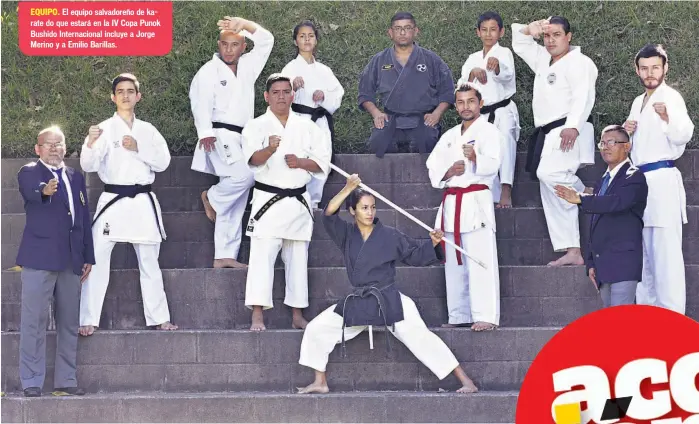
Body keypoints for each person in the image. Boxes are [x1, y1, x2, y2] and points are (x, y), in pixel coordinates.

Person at [296, 174, 479, 394]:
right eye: (364, 208)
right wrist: (348, 188)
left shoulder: (389, 236)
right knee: (317, 329)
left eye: (373, 207)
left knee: (421, 337)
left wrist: (432, 243)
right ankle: (320, 382)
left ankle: (466, 381)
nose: (370, 212)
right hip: (360, 300)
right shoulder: (345, 234)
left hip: (388, 299)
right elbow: (328, 215)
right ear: (353, 211)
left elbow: (415, 255)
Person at [79, 73, 177, 336]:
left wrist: (138, 147)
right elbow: (88, 166)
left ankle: (159, 317)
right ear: (113, 97)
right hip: (113, 200)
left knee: (149, 262)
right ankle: (88, 318)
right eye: (120, 91)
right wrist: (89, 143)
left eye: (130, 91)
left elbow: (163, 162)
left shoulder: (148, 130)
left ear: (138, 96)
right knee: (97, 259)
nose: (125, 95)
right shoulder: (102, 129)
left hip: (142, 201)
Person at [241, 74, 331, 331]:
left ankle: (297, 315)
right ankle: (257, 315)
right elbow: (252, 161)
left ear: (293, 95)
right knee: (261, 258)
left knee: (298, 260)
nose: (281, 96)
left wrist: (301, 162)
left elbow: (322, 162)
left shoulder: (308, 127)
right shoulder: (256, 126)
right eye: (276, 92)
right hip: (269, 201)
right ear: (267, 97)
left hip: (297, 201)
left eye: (286, 91)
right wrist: (269, 150)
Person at [512, 16, 598, 267]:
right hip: (549, 133)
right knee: (553, 192)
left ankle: (587, 192)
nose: (550, 40)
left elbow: (585, 96)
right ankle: (573, 250)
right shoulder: (543, 59)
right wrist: (530, 29)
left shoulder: (580, 62)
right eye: (547, 36)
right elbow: (520, 43)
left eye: (556, 35)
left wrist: (572, 126)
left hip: (569, 130)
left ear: (569, 36)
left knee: (549, 173)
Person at [190, 16, 275, 268]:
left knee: (238, 198)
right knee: (245, 176)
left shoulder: (248, 67)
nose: (228, 49)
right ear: (219, 45)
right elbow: (199, 100)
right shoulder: (208, 71)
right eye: (224, 44)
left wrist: (245, 25)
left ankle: (224, 256)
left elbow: (267, 41)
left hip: (242, 136)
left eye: (234, 45)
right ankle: (212, 197)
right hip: (217, 134)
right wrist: (204, 131)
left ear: (243, 47)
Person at [16, 126, 94, 397]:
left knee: (69, 322)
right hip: (39, 259)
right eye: (47, 144)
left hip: (71, 260)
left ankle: (66, 379)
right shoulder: (29, 172)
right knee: (33, 321)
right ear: (38, 149)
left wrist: (88, 256)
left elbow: (83, 218)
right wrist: (45, 190)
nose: (53, 148)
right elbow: (33, 190)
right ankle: (32, 381)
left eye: (58, 143)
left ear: (64, 146)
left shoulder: (75, 176)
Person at [623, 44, 695, 314]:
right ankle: (648, 317)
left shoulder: (671, 97)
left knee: (666, 256)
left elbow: (684, 134)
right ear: (637, 70)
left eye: (655, 67)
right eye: (644, 68)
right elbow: (629, 146)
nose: (650, 73)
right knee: (644, 257)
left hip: (662, 180)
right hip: (640, 182)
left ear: (665, 68)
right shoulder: (637, 101)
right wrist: (626, 131)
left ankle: (673, 318)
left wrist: (667, 118)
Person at [426, 82, 502, 332]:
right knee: (453, 263)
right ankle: (458, 314)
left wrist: (475, 159)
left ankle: (486, 315)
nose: (465, 106)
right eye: (460, 102)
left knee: (481, 261)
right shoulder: (449, 136)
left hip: (475, 201)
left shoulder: (490, 132)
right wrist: (449, 171)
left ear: (480, 103)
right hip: (451, 203)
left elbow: (494, 164)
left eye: (470, 101)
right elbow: (433, 167)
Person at [554, 125, 648, 308]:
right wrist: (591, 261)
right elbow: (595, 223)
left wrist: (582, 199)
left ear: (626, 146)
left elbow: (617, 202)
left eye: (611, 142)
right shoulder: (603, 181)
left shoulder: (634, 177)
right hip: (602, 265)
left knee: (620, 326)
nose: (605, 147)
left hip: (623, 264)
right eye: (602, 143)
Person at [358, 11, 455, 157]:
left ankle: (425, 180)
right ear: (390, 32)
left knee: (428, 142)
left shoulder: (431, 59)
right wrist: (376, 113)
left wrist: (437, 113)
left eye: (407, 28)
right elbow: (365, 93)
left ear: (416, 31)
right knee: (377, 142)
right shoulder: (379, 60)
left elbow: (447, 91)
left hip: (422, 120)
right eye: (397, 28)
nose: (402, 32)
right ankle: (386, 180)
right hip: (391, 121)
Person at [281, 20, 344, 209]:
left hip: (321, 122)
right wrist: (291, 86)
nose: (307, 40)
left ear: (316, 40)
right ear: (295, 41)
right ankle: (299, 201)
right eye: (302, 36)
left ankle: (314, 202)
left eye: (310, 36)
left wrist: (324, 96)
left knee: (321, 160)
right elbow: (279, 95)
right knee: (300, 160)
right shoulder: (290, 68)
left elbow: (337, 94)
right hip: (300, 120)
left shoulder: (324, 70)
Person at [460, 11, 520, 208]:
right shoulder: (472, 58)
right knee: (483, 151)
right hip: (482, 115)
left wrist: (496, 68)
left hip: (503, 111)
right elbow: (461, 87)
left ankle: (506, 189)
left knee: (506, 146)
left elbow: (508, 75)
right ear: (477, 32)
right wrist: (472, 73)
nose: (488, 34)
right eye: (484, 30)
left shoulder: (504, 53)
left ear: (501, 32)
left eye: (493, 30)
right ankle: (491, 193)